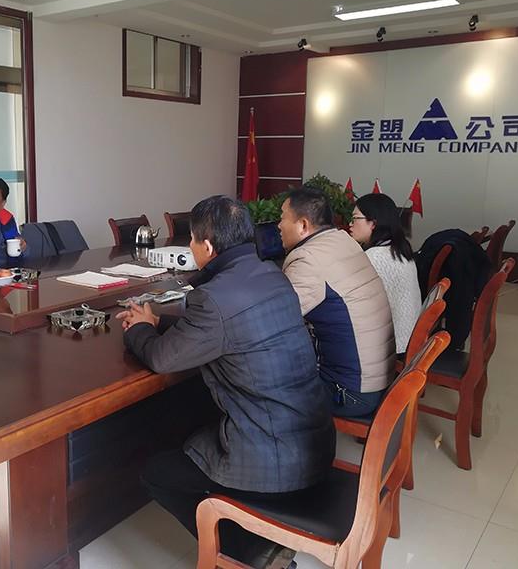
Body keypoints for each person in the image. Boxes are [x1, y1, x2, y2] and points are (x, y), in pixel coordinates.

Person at [118, 195, 335, 567]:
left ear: (206, 247)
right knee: (192, 418)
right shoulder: (273, 275)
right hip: (314, 441)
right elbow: (225, 327)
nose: (190, 247)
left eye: (191, 241)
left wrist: (138, 330)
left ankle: (249, 553)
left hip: (274, 459)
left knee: (157, 474)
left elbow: (162, 358)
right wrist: (158, 322)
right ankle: (252, 535)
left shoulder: (212, 297)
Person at [278, 187, 395, 418]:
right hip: (378, 379)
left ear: (303, 225)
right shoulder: (342, 240)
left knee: (259, 377)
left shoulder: (307, 259)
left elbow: (275, 323)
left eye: (282, 218)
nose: (279, 226)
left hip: (350, 393)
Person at [350, 194, 421, 356]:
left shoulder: (374, 257)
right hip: (407, 339)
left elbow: (352, 305)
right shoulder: (399, 249)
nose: (350, 224)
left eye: (355, 219)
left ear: (373, 223)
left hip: (392, 347)